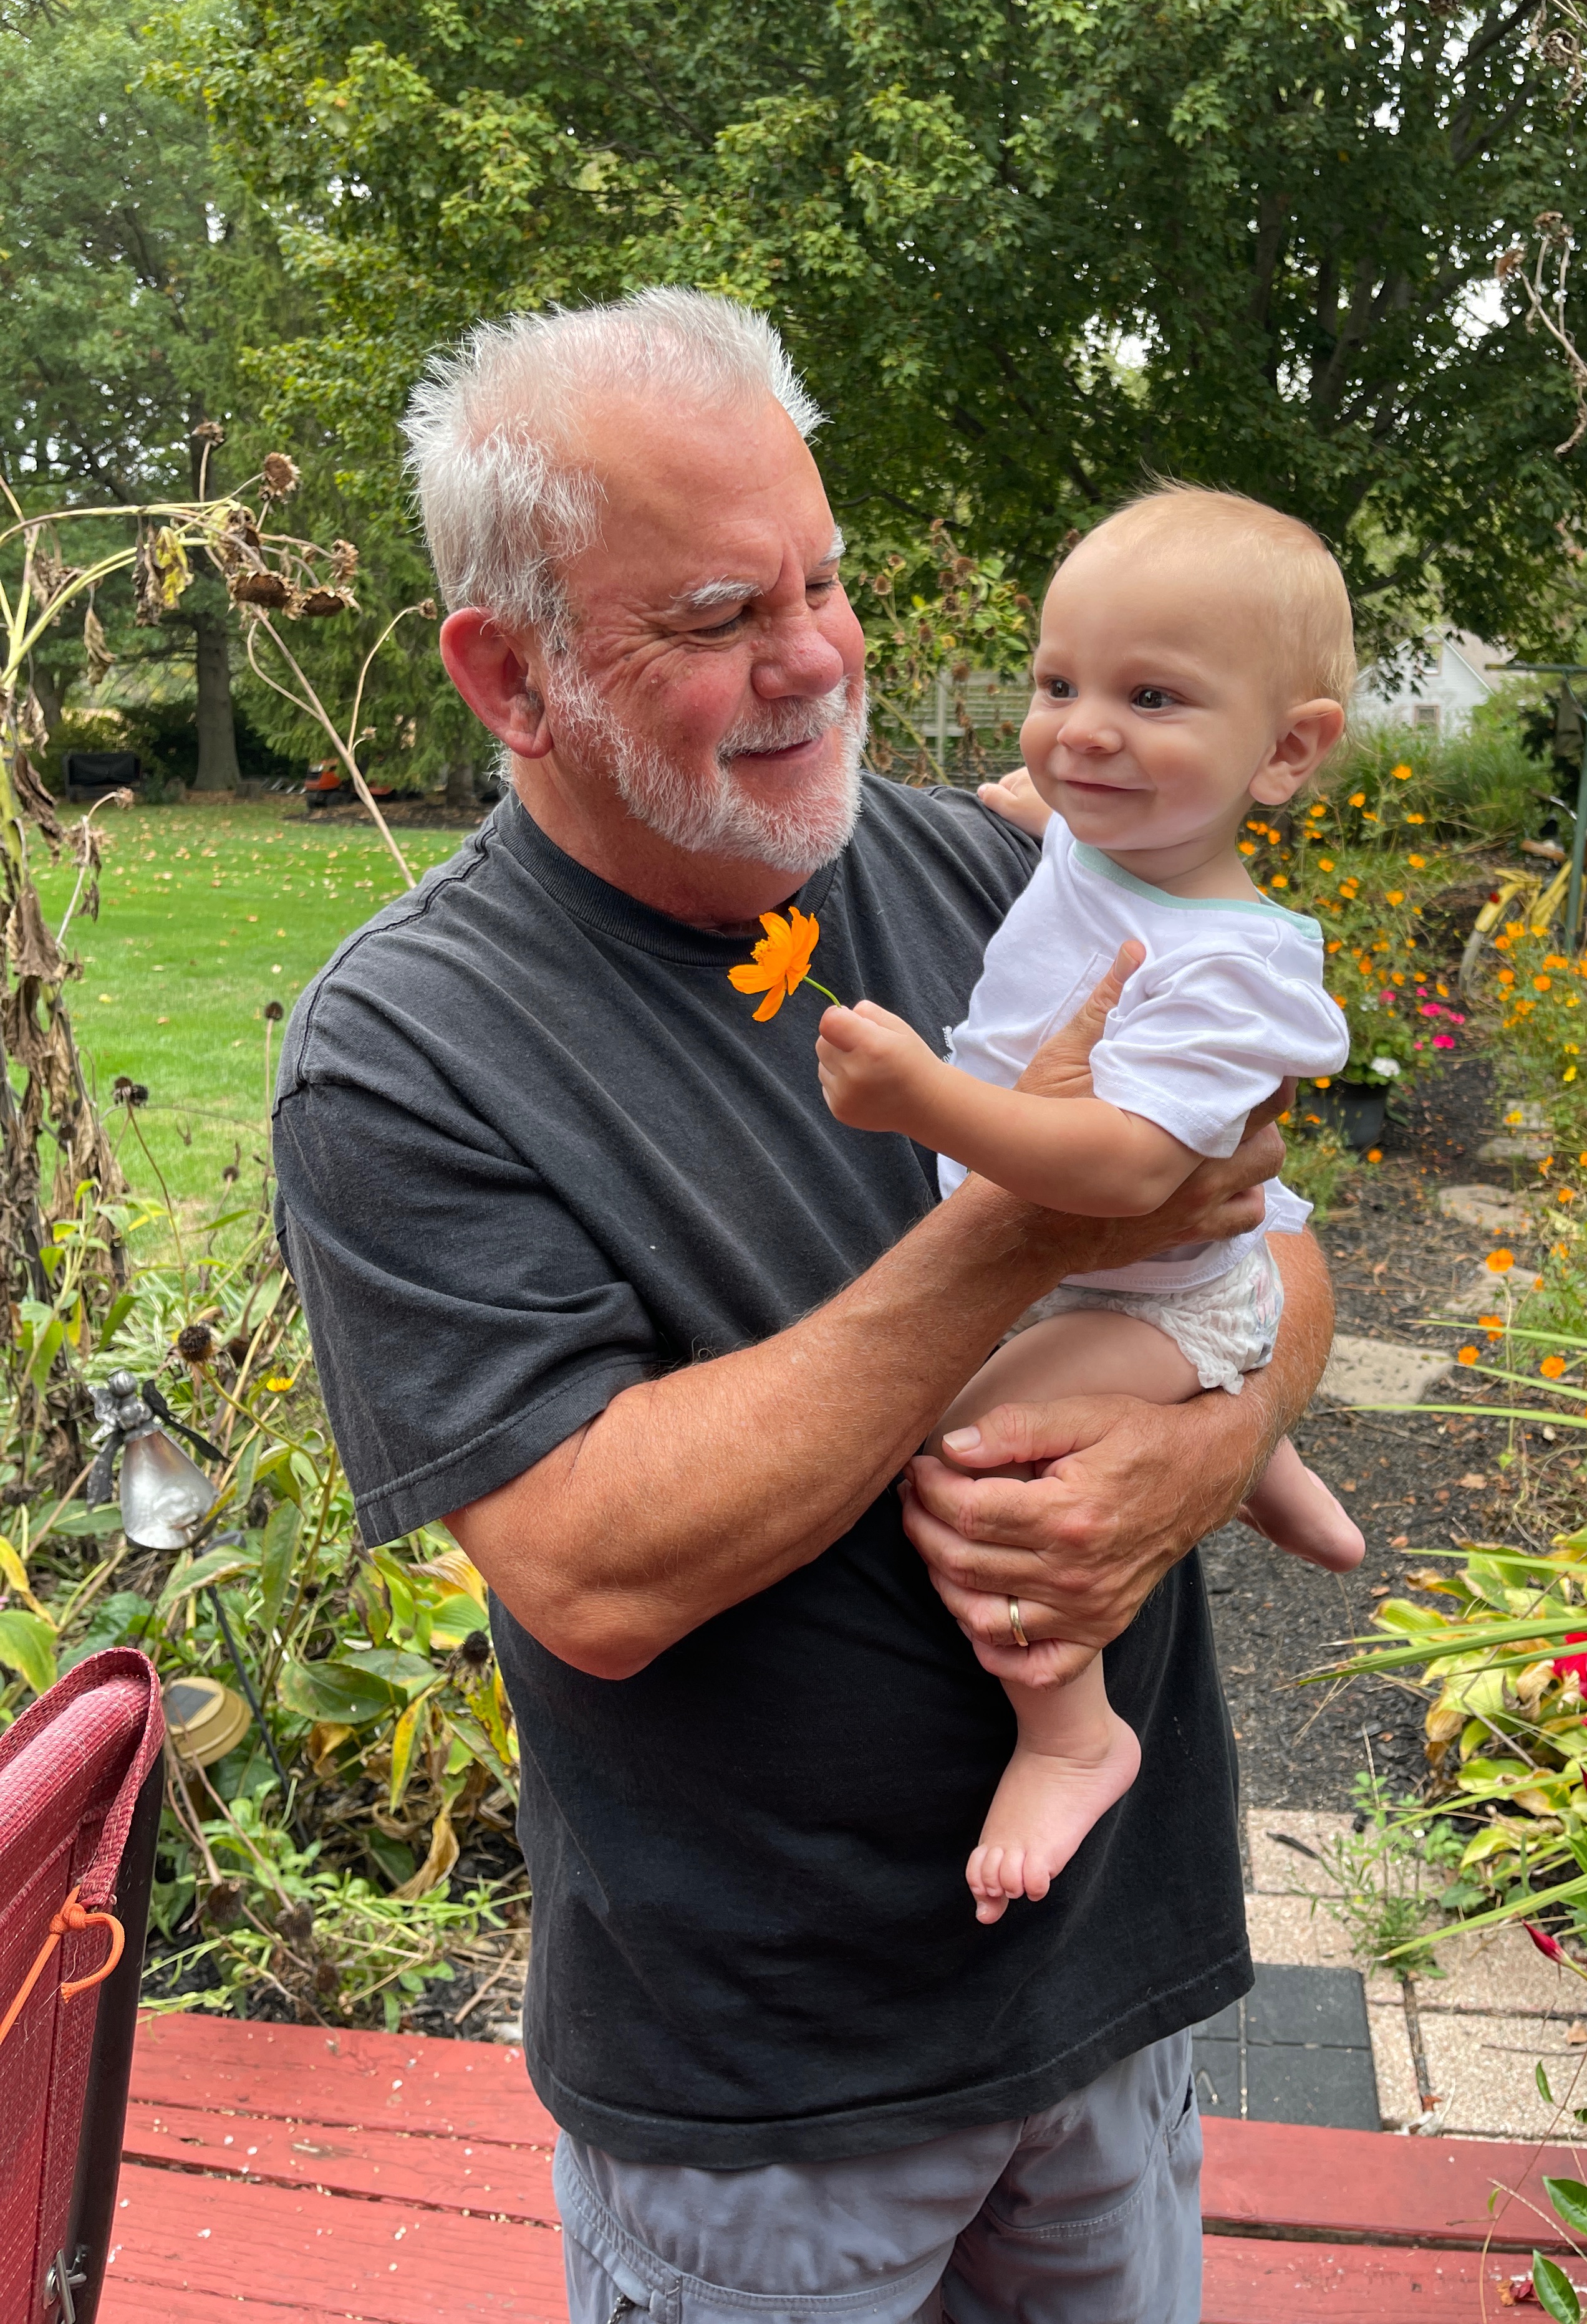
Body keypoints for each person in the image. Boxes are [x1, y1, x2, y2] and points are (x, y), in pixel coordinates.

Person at [271, 288, 1338, 2324]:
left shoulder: (995, 877)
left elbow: (1270, 1252)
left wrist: (1208, 1452)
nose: (818, 658)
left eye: (824, 582)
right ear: (509, 672)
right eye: (717, 616)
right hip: (768, 2106)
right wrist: (1018, 1228)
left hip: (1107, 1996)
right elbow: (592, 1566)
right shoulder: (408, 1052)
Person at [811, 485, 1366, 1926]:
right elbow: (1050, 809)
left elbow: (1128, 1178)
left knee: (969, 1451)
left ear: (1288, 751)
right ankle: (1260, 1452)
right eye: (1059, 686)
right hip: (1121, 1285)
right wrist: (1035, 796)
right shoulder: (1111, 841)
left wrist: (926, 1100)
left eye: (1152, 697)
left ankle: (1070, 1733)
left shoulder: (1231, 966)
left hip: (1155, 1291)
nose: (1083, 734)